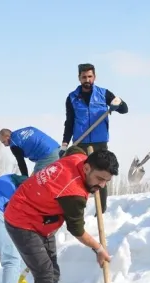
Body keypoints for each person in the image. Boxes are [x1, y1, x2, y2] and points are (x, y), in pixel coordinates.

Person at [3, 146, 119, 283]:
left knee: (52, 273)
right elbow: (77, 230)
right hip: (21, 220)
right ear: (87, 168)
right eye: (99, 179)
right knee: (45, 273)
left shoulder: (79, 158)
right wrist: (98, 248)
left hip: (44, 219)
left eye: (106, 181)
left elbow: (73, 149)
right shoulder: (73, 193)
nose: (102, 186)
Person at [62, 63, 128, 214]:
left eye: (90, 76)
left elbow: (125, 110)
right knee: (80, 176)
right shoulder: (72, 98)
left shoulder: (104, 94)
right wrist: (65, 144)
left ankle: (101, 211)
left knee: (102, 174)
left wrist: (119, 103)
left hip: (99, 141)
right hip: (80, 143)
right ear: (79, 78)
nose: (87, 80)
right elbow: (69, 122)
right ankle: (79, 210)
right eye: (84, 77)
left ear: (95, 77)